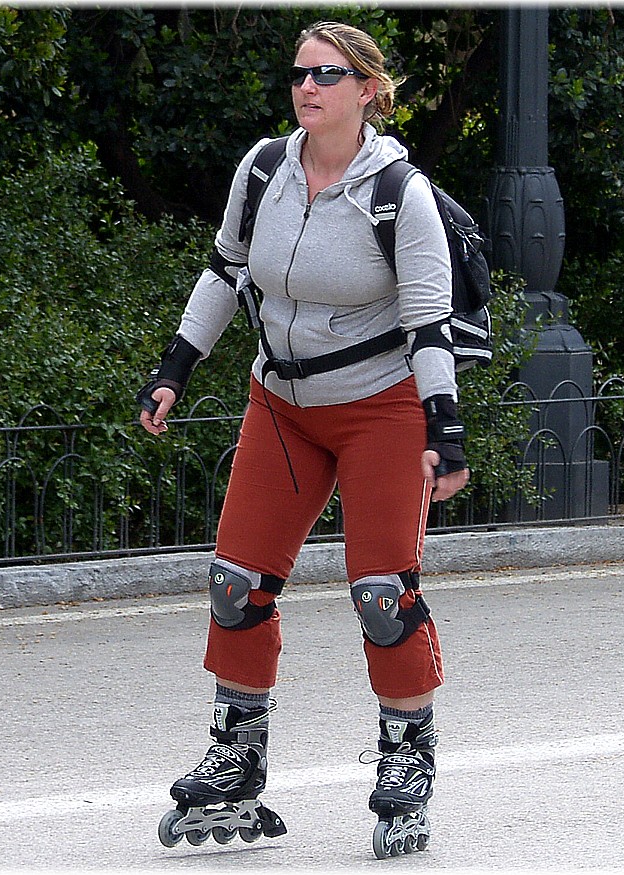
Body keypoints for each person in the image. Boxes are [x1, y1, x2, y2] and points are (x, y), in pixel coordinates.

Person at [138, 20, 470, 855]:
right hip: (281, 404)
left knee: (382, 592)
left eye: (327, 74)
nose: (307, 87)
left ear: (367, 89)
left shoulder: (400, 193)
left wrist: (446, 429)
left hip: (381, 409)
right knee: (234, 581)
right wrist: (176, 365)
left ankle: (408, 758)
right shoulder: (264, 171)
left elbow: (428, 324)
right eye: (299, 74)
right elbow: (225, 269)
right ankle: (236, 760)